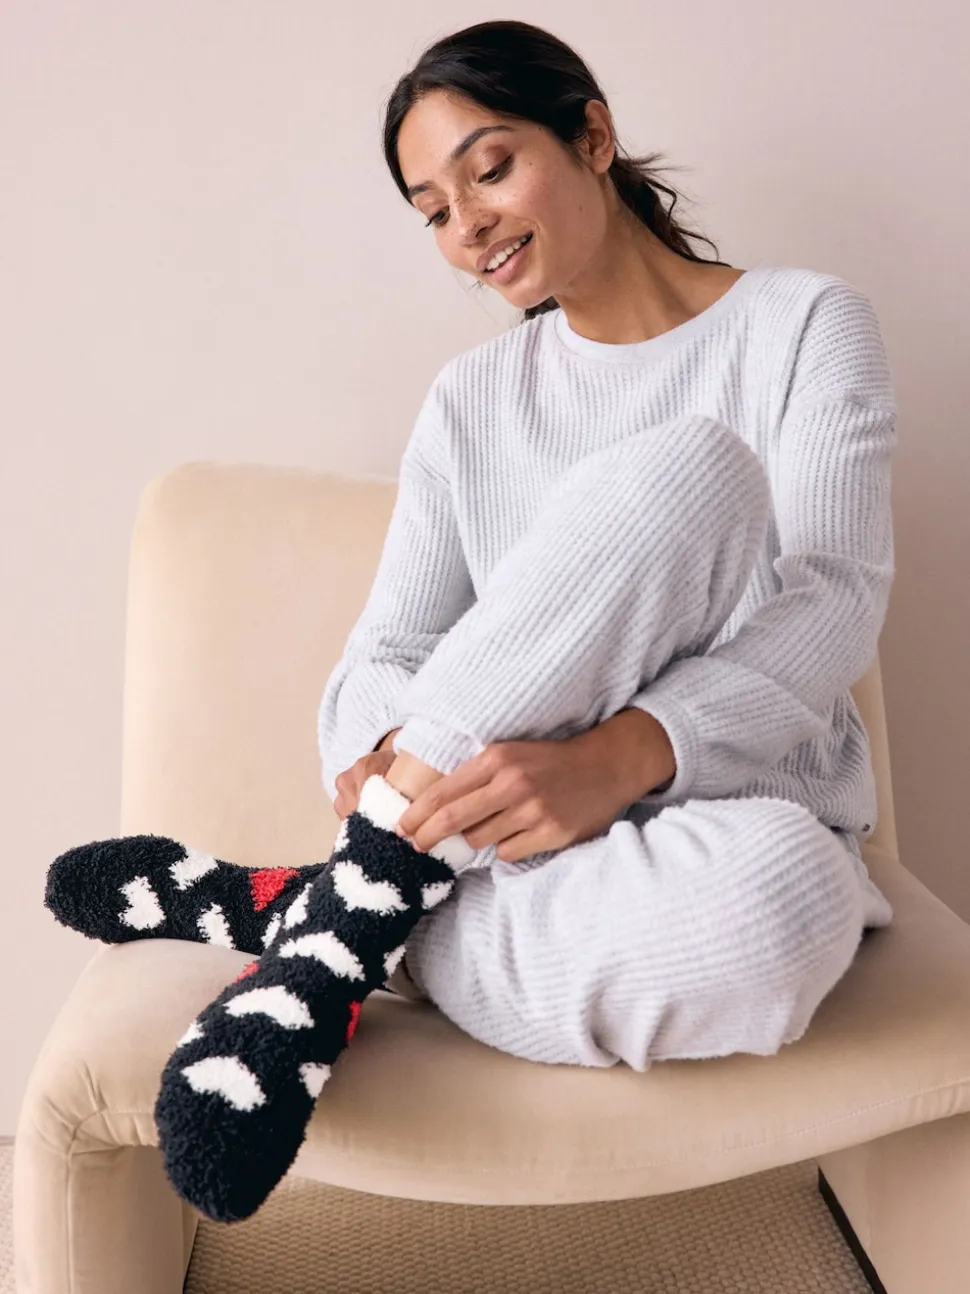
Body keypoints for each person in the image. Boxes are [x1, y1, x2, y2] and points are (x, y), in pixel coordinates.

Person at [43, 19, 896, 1225]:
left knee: (783, 906)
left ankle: (324, 913)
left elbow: (835, 600)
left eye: (490, 170)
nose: (467, 228)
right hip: (495, 837)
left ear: (592, 135)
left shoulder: (805, 324)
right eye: (432, 209)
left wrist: (622, 756)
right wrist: (408, 756)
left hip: (732, 812)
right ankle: (367, 899)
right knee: (689, 474)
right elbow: (383, 656)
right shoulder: (475, 400)